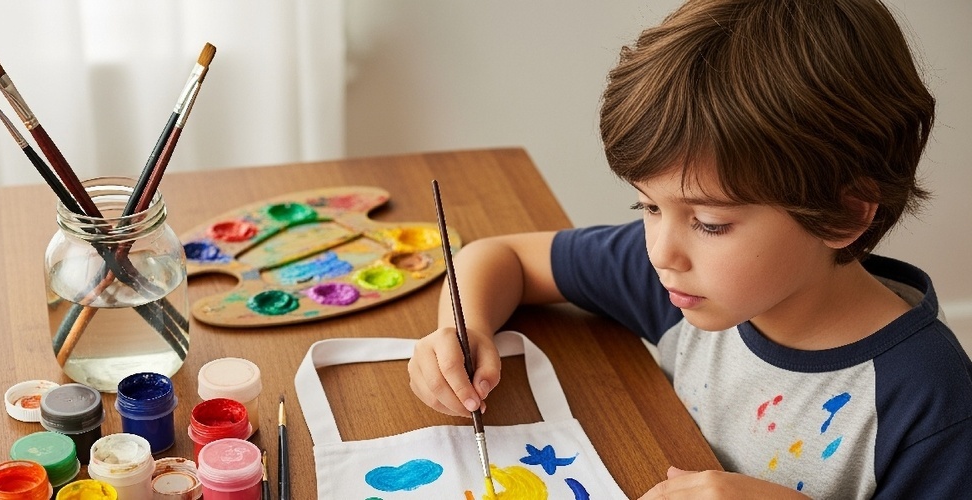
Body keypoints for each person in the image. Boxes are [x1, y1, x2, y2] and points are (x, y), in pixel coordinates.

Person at [407, 0, 972, 498]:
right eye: (648, 208)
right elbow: (500, 257)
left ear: (845, 213)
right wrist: (465, 330)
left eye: (709, 222)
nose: (659, 251)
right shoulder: (681, 279)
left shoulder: (930, 400)